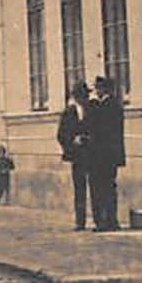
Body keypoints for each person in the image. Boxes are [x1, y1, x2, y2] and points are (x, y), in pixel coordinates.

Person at [88, 76, 125, 231]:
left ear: (105, 89)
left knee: (103, 187)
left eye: (98, 88)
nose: (97, 91)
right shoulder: (113, 105)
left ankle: (106, 221)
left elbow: (102, 132)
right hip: (109, 155)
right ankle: (110, 220)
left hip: (103, 155)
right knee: (108, 186)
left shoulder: (107, 106)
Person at [56, 81, 93, 230]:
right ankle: (80, 221)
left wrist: (89, 138)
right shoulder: (68, 113)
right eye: (80, 96)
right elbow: (61, 135)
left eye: (85, 96)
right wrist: (72, 141)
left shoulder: (93, 109)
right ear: (75, 97)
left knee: (96, 187)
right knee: (79, 189)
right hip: (77, 157)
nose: (83, 99)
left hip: (93, 154)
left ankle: (98, 219)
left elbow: (99, 129)